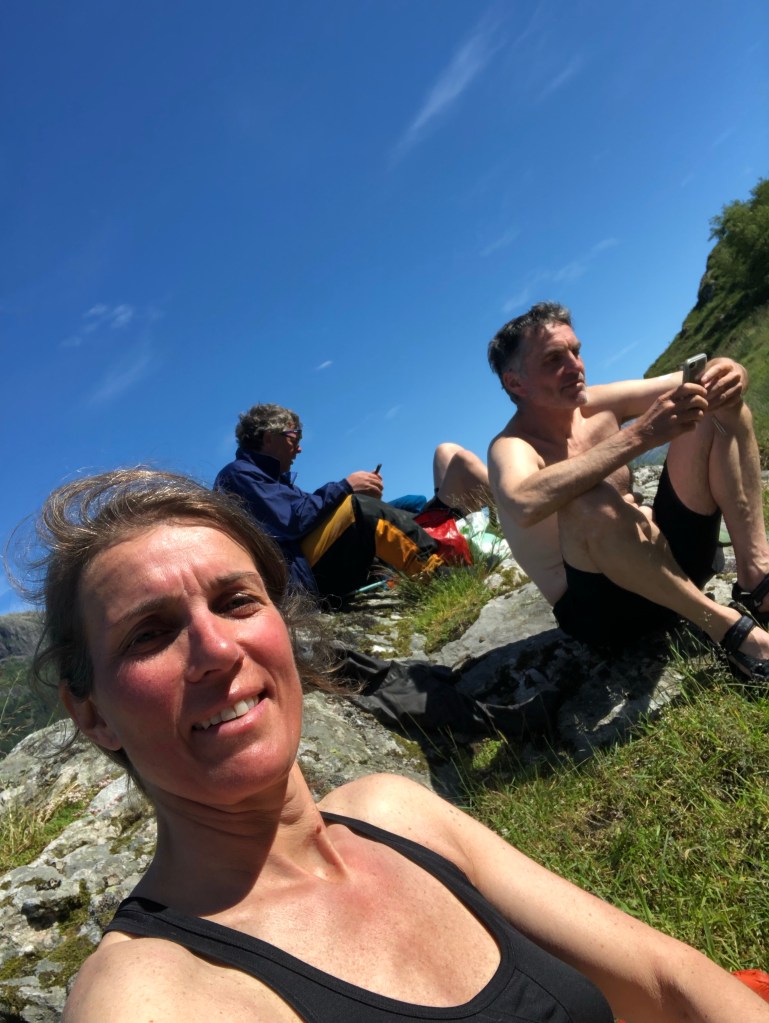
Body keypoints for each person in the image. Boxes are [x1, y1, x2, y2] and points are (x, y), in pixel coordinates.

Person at [23, 468, 768, 1022]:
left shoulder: (396, 812)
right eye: (150, 634)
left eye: (236, 600)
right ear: (92, 715)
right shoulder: (151, 994)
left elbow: (668, 979)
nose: (217, 649)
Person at [487, 301, 769, 678]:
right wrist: (641, 434)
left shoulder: (598, 404)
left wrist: (732, 373)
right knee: (587, 501)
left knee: (715, 406)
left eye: (575, 352)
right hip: (608, 613)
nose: (575, 366)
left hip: (674, 564)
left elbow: (704, 377)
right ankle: (728, 630)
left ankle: (757, 580)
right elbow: (523, 501)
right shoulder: (511, 446)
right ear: (515, 383)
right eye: (554, 359)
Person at [214, 403, 485, 599]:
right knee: (361, 509)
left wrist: (356, 492)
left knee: (409, 502)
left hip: (310, 559)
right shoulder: (238, 475)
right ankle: (438, 574)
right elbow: (293, 520)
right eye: (295, 437)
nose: (299, 448)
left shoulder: (267, 478)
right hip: (302, 577)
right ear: (269, 438)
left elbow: (308, 515)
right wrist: (347, 488)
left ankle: (449, 542)